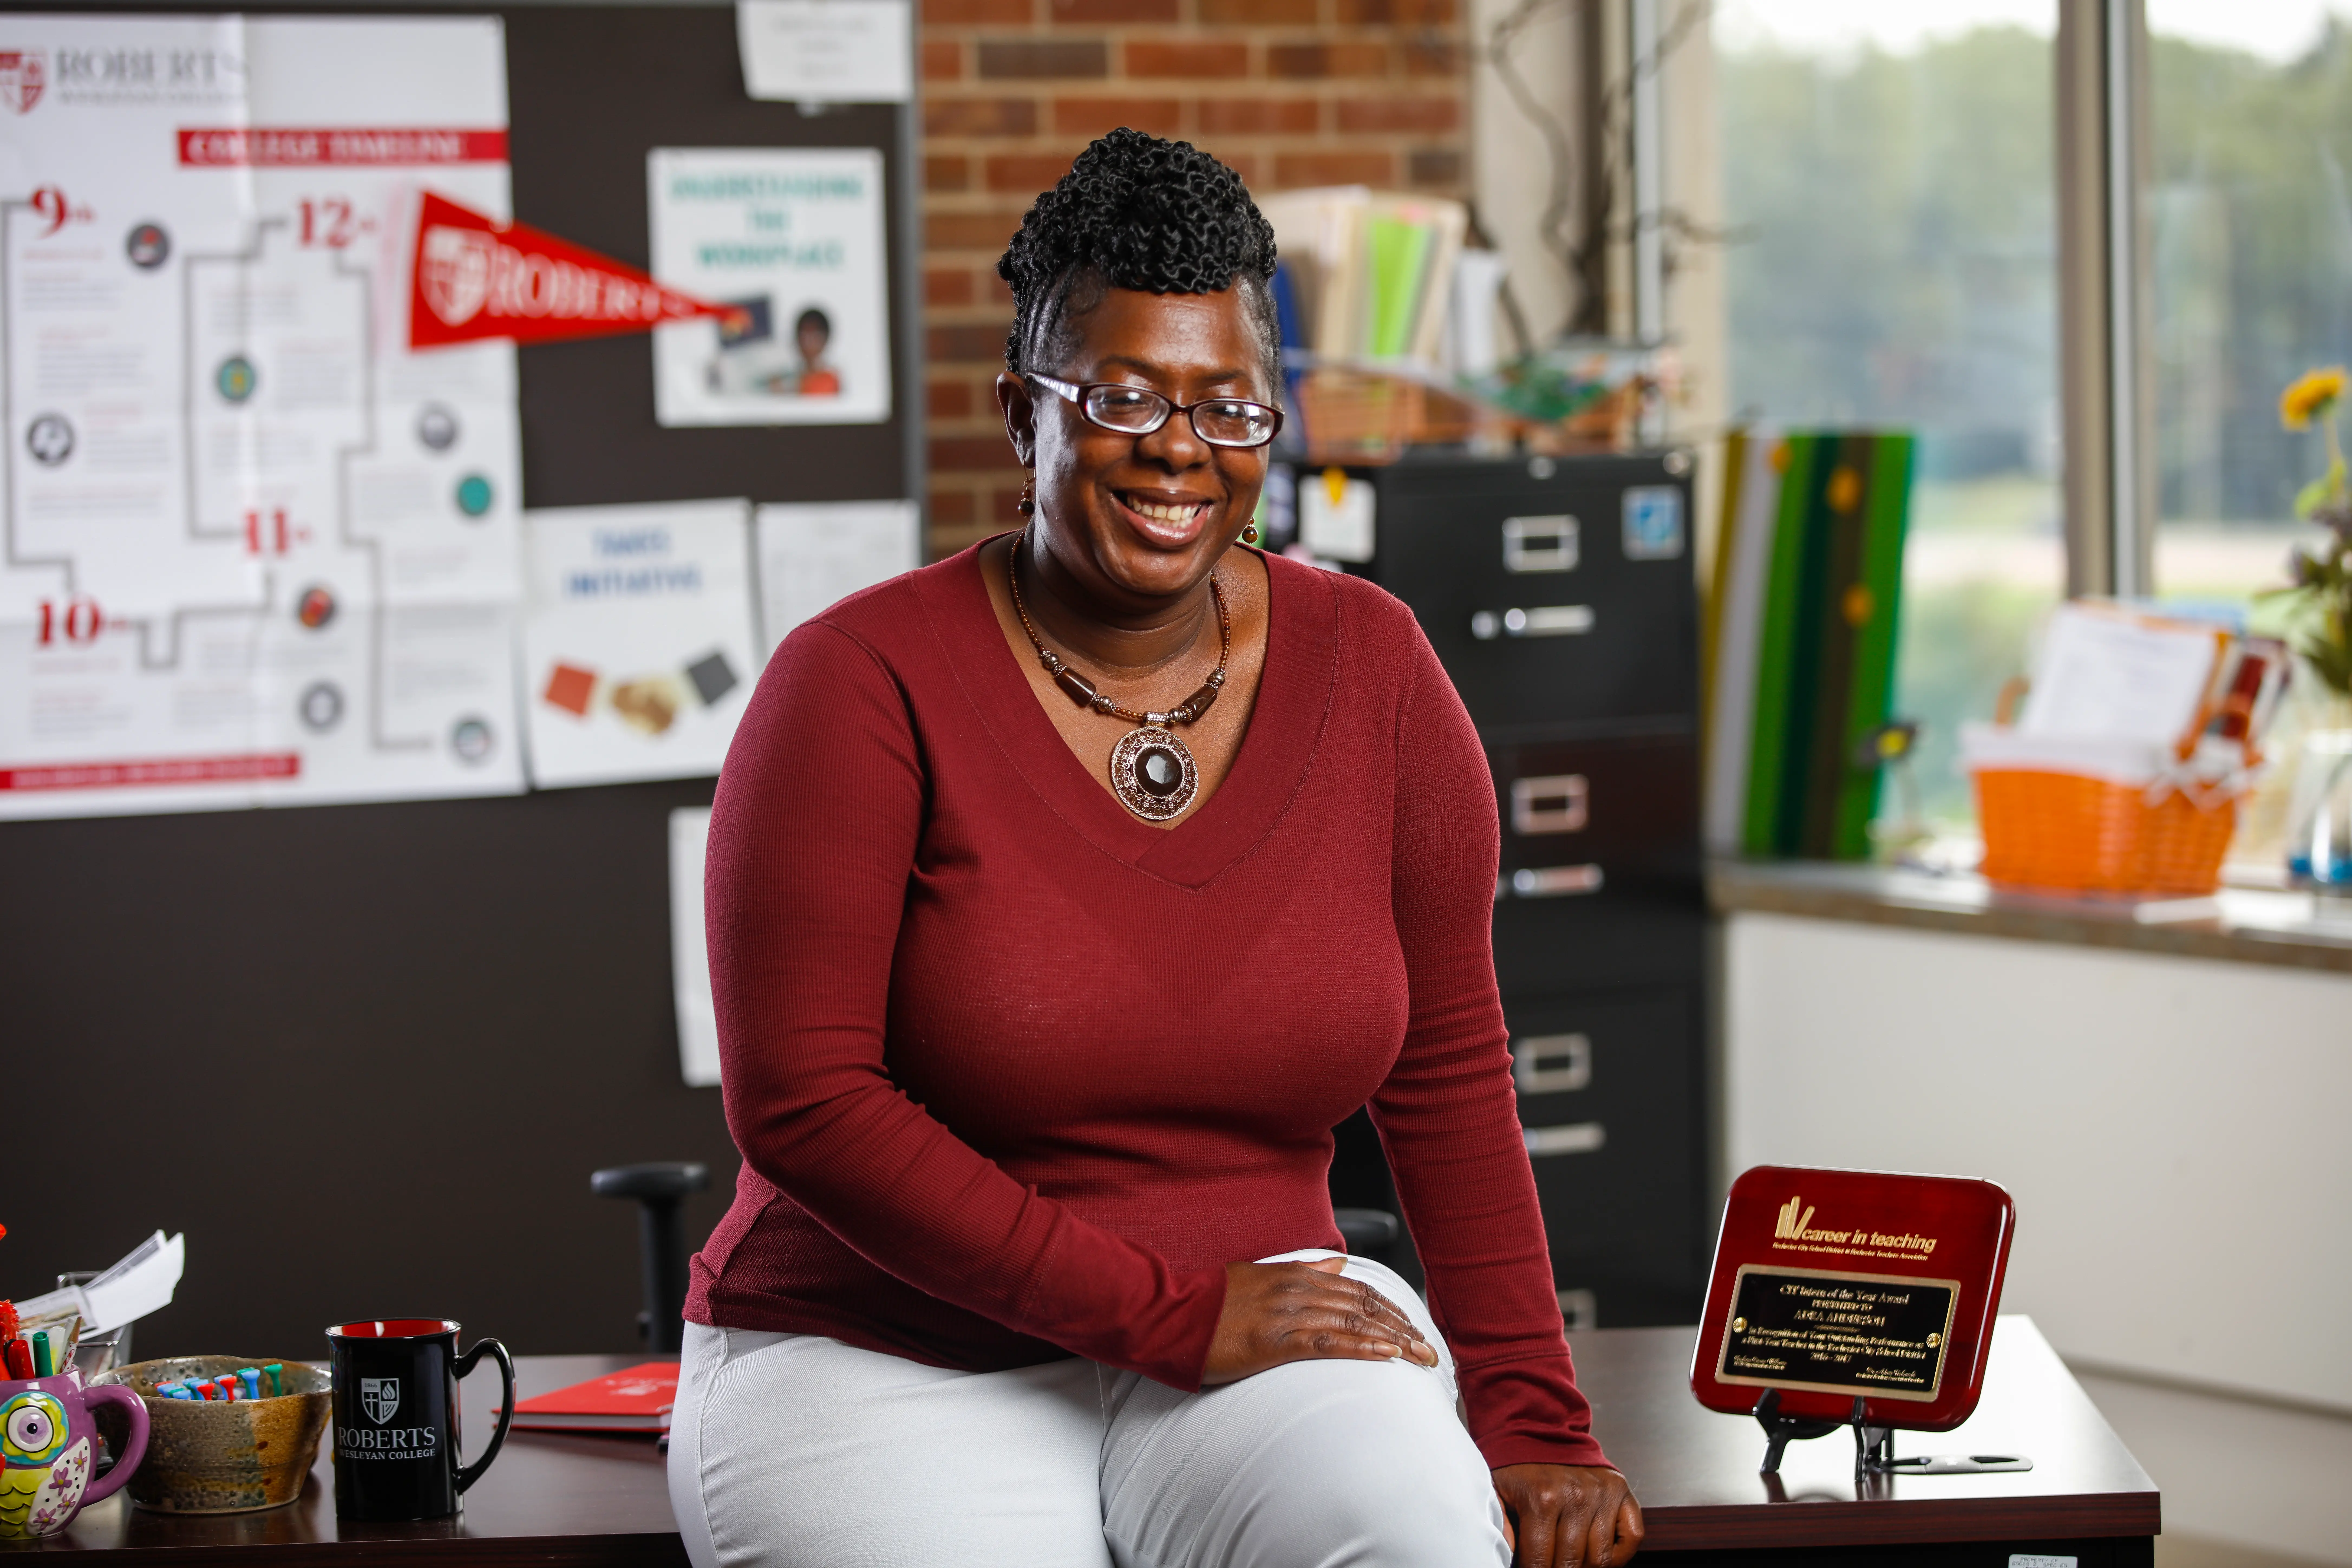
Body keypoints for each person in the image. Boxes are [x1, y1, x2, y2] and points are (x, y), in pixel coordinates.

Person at [668, 128, 1645, 1568]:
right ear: (1023, 411)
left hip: (1265, 1320)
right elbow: (805, 1102)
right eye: (1124, 397)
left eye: (1229, 408)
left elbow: (1447, 1064)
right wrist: (1157, 1313)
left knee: (1417, 1545)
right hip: (881, 1346)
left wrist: (1536, 1420)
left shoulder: (1373, 666)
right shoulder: (857, 683)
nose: (1182, 449)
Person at [792, 306, 841, 396]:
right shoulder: (792, 378)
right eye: (804, 336)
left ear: (825, 340)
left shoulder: (830, 380)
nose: (808, 343)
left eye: (815, 337)